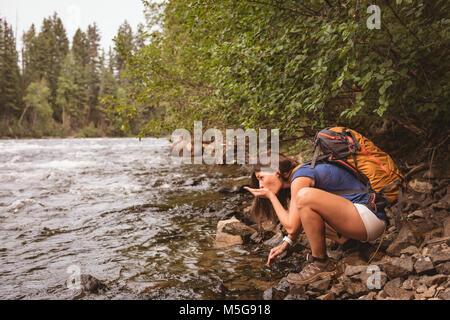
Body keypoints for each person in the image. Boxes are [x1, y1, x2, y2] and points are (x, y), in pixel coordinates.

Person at [243, 153, 387, 285]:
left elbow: (291, 226)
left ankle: (320, 262)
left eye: (261, 178)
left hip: (368, 219)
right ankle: (348, 242)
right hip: (362, 219)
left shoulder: (300, 178)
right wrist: (285, 243)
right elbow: (300, 222)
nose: (261, 185)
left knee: (304, 197)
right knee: (303, 207)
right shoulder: (301, 174)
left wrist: (270, 196)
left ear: (276, 171)